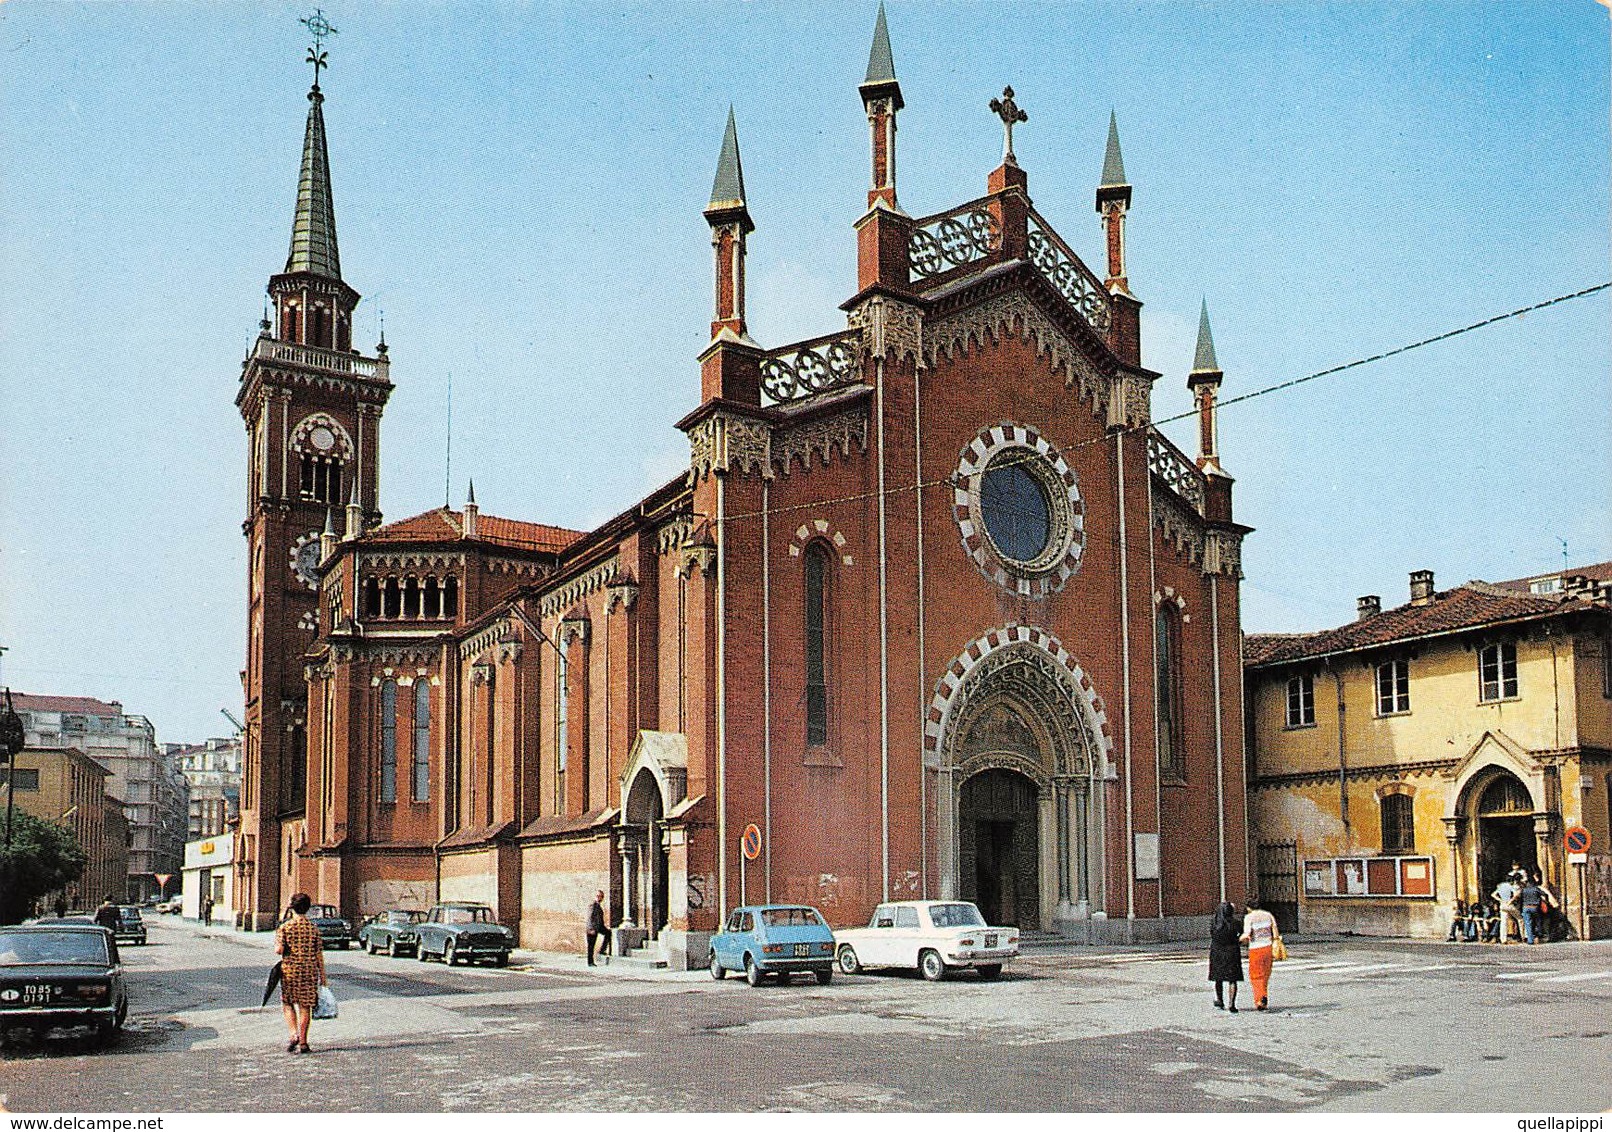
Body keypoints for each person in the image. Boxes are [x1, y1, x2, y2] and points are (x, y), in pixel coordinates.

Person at [275, 892, 327, 1054]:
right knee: (305, 1006)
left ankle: (293, 1034)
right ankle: (304, 1042)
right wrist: (323, 977)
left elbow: (279, 950)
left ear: (292, 908)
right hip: (309, 971)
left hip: (290, 970)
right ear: (308, 908)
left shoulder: (285, 927)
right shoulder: (314, 928)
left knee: (288, 1003)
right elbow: (319, 954)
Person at [1240, 897, 1281, 1011]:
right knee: (1265, 974)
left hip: (1255, 948)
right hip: (1268, 947)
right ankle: (1264, 997)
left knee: (1256, 975)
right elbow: (1275, 931)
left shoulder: (1249, 917)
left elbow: (1247, 933)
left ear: (1249, 908)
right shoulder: (1268, 915)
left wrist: (1239, 940)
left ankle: (1260, 998)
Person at [1208, 901, 1243, 1012]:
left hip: (1217, 952)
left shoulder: (1214, 923)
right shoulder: (1236, 923)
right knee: (1232, 979)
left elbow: (1212, 935)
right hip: (1232, 951)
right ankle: (1232, 1004)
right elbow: (1240, 934)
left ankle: (1220, 1000)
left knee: (1218, 978)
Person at [1518, 873, 1547, 945]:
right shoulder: (1536, 889)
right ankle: (1538, 936)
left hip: (1526, 907)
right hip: (1535, 907)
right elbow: (1544, 895)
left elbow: (1520, 899)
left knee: (1528, 924)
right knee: (1537, 922)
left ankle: (1530, 940)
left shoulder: (1523, 890)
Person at [1493, 875, 1521, 943]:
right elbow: (1516, 894)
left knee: (1503, 922)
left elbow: (1493, 894)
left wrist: (1500, 900)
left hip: (1502, 905)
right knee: (1520, 919)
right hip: (1509, 905)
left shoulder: (1501, 886)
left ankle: (1503, 939)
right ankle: (1524, 936)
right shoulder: (1511, 886)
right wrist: (1510, 901)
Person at [586, 890, 610, 966]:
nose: (600, 898)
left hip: (598, 927)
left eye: (601, 897)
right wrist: (591, 929)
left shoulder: (598, 905)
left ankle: (602, 950)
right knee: (591, 946)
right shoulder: (593, 905)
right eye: (598, 896)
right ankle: (590, 962)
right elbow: (590, 917)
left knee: (608, 933)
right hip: (592, 928)